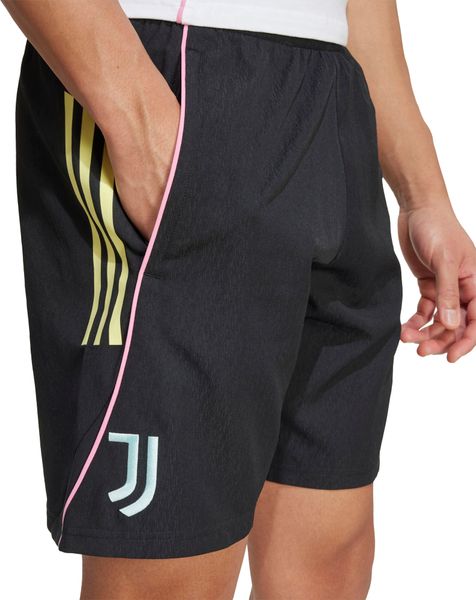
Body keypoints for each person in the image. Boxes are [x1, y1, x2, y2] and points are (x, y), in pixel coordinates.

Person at [3, 0, 475, 598]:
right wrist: (138, 118)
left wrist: (423, 191)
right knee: (169, 571)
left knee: (327, 561)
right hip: (175, 66)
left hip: (334, 97)